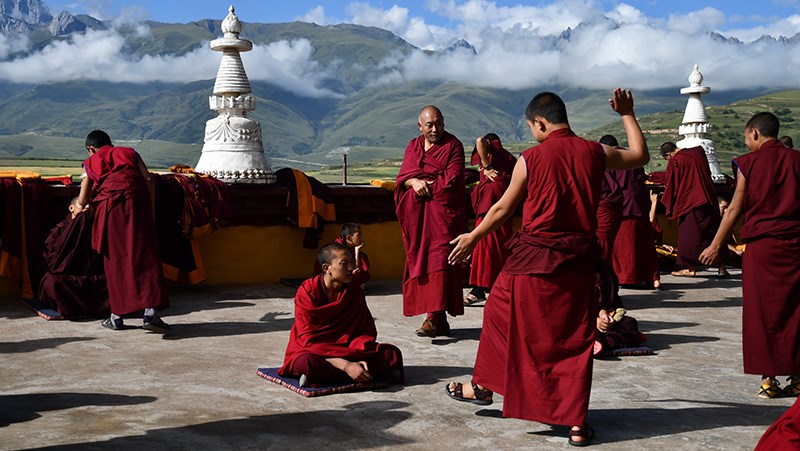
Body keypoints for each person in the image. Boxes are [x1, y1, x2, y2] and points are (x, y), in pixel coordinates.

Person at [445, 89, 649, 446]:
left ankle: (484, 386)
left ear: (539, 123)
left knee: (496, 310)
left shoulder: (531, 158)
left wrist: (472, 238)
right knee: (570, 340)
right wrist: (627, 113)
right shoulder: (594, 151)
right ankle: (574, 424)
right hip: (578, 261)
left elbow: (502, 209)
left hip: (532, 260)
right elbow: (639, 156)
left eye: (531, 128)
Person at [699, 112, 800, 399]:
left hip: (763, 249)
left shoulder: (749, 163)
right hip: (795, 246)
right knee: (795, 310)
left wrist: (716, 244)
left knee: (762, 312)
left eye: (746, 137)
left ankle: (769, 380)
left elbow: (734, 208)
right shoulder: (797, 160)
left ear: (754, 133)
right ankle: (797, 376)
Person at [74, 130, 169, 333]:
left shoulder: (91, 162)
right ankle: (150, 313)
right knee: (146, 258)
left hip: (111, 212)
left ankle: (116, 317)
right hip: (138, 207)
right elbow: (148, 180)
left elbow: (83, 198)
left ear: (91, 149)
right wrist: (150, 210)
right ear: (111, 143)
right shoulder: (130, 153)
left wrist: (77, 207)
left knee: (115, 261)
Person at [279, 242, 404, 387]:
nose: (352, 268)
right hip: (316, 351)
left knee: (391, 353)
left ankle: (323, 378)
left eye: (351, 262)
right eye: (344, 263)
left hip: (349, 349)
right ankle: (364, 374)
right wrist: (346, 365)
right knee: (306, 362)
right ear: (327, 268)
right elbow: (307, 340)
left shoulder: (354, 291)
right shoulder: (307, 292)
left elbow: (366, 330)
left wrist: (356, 353)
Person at [395, 105, 466, 337]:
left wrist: (425, 184)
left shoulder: (453, 145)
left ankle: (434, 318)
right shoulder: (413, 146)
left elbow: (453, 179)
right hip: (418, 218)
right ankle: (437, 319)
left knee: (440, 261)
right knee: (422, 260)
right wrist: (414, 182)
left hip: (442, 216)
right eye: (429, 125)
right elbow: (403, 178)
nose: (435, 129)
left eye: (439, 123)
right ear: (420, 126)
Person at [601, 135, 661, 288]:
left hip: (620, 207)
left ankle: (625, 278)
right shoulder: (632, 157)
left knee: (622, 246)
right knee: (644, 243)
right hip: (639, 205)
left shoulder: (610, 160)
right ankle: (653, 279)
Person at [660, 141, 728, 277]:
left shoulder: (677, 161)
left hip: (690, 201)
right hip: (708, 199)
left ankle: (688, 268)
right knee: (712, 233)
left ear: (668, 154)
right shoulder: (697, 154)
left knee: (688, 237)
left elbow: (671, 183)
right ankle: (722, 267)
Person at [464, 133, 516, 305]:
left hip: (492, 208)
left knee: (486, 248)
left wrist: (486, 166)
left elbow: (479, 140)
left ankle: (483, 289)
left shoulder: (492, 150)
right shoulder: (508, 158)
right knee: (490, 248)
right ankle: (486, 288)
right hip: (501, 206)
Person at [37, 196, 109, 318]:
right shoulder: (59, 231)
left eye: (89, 208)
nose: (86, 211)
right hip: (66, 276)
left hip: (90, 276)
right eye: (83, 207)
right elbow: (52, 261)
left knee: (111, 282)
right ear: (71, 208)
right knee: (51, 282)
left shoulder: (96, 229)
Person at [313, 223, 371, 287]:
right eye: (359, 235)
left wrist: (357, 251)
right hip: (331, 275)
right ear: (349, 238)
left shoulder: (352, 248)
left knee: (365, 275)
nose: (361, 238)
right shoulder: (336, 249)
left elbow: (357, 270)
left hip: (346, 274)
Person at [595, 135, 624, 262]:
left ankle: (603, 278)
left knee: (603, 246)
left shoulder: (599, 165)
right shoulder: (627, 156)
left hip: (605, 209)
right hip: (622, 207)